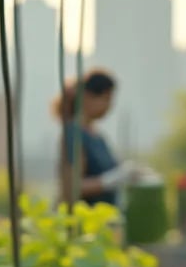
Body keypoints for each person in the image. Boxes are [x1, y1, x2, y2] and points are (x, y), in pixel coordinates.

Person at [54, 69, 139, 207]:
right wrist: (111, 180)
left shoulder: (98, 136)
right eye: (105, 99)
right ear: (87, 97)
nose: (109, 106)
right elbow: (71, 188)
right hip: (86, 217)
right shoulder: (74, 134)